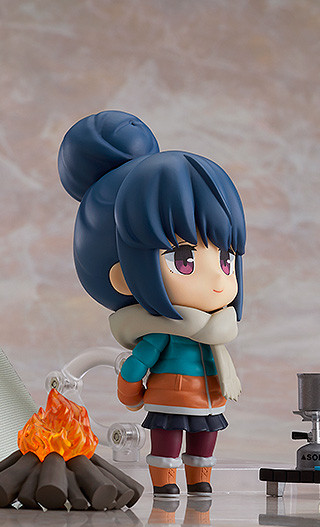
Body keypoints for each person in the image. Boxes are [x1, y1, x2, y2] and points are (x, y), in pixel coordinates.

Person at [58, 110, 246, 496]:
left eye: (226, 258)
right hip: (169, 400)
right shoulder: (162, 332)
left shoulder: (214, 332)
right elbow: (136, 366)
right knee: (167, 443)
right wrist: (130, 392)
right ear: (123, 276)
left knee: (204, 443)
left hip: (209, 401)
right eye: (184, 260)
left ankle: (200, 481)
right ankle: (166, 484)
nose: (218, 278)